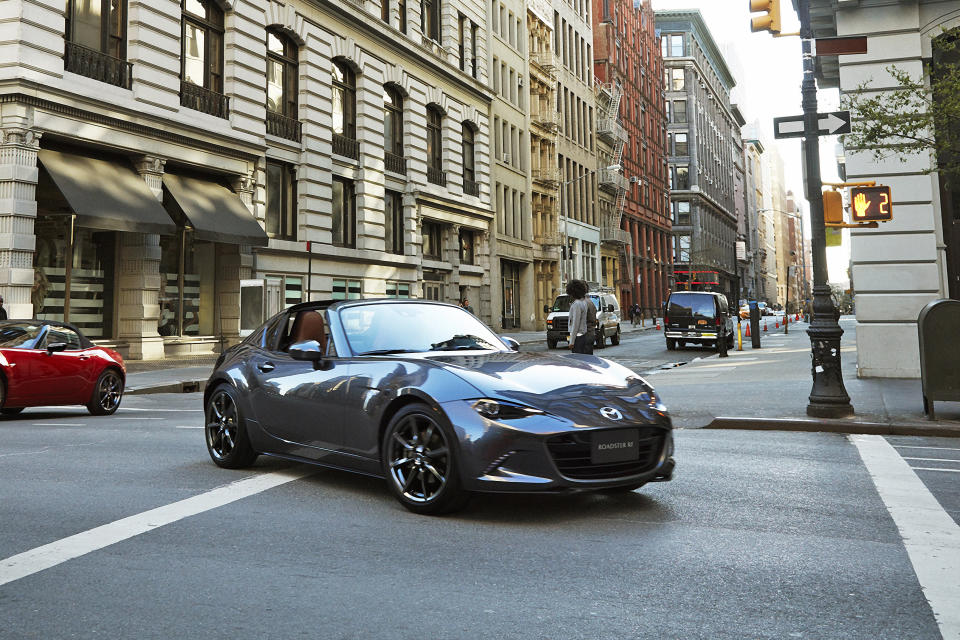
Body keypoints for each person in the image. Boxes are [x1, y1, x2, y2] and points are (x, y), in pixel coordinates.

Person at [566, 279, 593, 354]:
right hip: (583, 335)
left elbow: (575, 324)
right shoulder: (583, 302)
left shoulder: (576, 304)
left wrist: (571, 341)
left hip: (577, 338)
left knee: (577, 360)